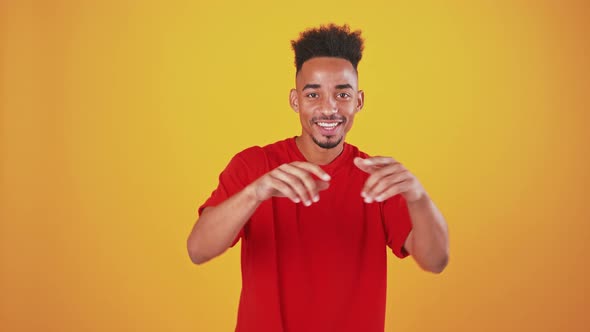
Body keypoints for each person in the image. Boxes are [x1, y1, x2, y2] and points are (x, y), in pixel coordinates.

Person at [187, 23, 449, 332]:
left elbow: (435, 261)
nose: (329, 108)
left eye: (342, 94)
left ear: (359, 101)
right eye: (313, 94)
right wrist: (255, 192)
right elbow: (198, 250)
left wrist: (418, 197)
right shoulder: (253, 165)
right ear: (295, 100)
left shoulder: (377, 177)